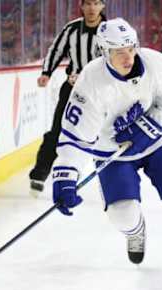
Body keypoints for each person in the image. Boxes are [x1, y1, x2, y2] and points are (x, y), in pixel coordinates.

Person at [51, 18, 162, 269]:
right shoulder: (90, 82)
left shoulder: (156, 63)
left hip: (156, 142)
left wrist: (149, 126)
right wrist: (66, 175)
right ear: (104, 51)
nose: (128, 57)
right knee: (123, 215)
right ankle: (135, 232)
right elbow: (76, 136)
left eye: (131, 48)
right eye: (119, 52)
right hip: (112, 152)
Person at [29, 0, 106, 196]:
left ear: (102, 6)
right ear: (82, 6)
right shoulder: (71, 29)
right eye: (87, 3)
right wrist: (47, 72)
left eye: (96, 3)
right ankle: (39, 174)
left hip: (103, 91)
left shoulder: (109, 31)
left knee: (108, 133)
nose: (91, 8)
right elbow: (55, 50)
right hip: (72, 90)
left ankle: (113, 179)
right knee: (57, 131)